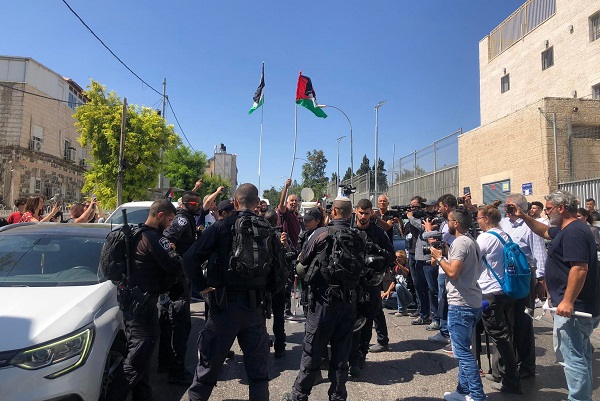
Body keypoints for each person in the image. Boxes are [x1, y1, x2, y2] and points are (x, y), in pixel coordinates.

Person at [183, 183, 284, 401]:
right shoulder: (268, 230)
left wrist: (202, 286)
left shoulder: (221, 227)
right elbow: (280, 274)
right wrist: (265, 294)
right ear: (257, 204)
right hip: (255, 310)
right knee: (258, 375)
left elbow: (189, 258)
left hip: (224, 309)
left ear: (236, 202)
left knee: (207, 371)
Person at [512, 190, 600, 401]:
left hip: (574, 309)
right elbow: (544, 231)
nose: (546, 212)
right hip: (577, 307)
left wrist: (568, 301)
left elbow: (579, 268)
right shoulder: (566, 228)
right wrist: (523, 216)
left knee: (572, 358)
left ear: (561, 208)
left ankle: (579, 398)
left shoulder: (574, 232)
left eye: (549, 208)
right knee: (581, 354)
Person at [282, 196, 367, 401]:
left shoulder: (320, 234)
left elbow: (302, 261)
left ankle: (299, 395)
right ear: (351, 213)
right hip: (348, 303)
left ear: (333, 212)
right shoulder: (359, 237)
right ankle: (337, 395)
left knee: (312, 351)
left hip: (322, 302)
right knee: (341, 354)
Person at [107, 200, 182, 401]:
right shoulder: (154, 238)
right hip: (143, 306)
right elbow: (175, 266)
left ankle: (143, 397)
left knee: (142, 357)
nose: (170, 224)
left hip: (133, 303)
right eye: (170, 220)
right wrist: (173, 251)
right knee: (137, 358)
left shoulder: (135, 234)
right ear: (160, 215)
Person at [429, 206, 485, 401]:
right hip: (471, 300)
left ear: (456, 223)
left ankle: (477, 395)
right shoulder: (471, 241)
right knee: (464, 350)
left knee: (462, 353)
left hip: (461, 304)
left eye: (449, 221)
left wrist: (439, 257)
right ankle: (462, 391)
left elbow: (453, 272)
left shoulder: (461, 242)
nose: (447, 225)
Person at [476, 201, 523, 394]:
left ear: (487, 219)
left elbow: (472, 260)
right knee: (506, 334)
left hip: (490, 292)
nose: (477, 222)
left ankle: (512, 380)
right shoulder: (505, 235)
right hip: (506, 291)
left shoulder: (485, 238)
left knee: (499, 337)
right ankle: (501, 373)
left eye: (479, 218)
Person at [501, 193, 547, 379]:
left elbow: (539, 253)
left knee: (523, 321)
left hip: (524, 276)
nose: (506, 210)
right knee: (508, 321)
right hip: (507, 276)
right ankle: (511, 363)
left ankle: (527, 365)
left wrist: (541, 281)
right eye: (506, 206)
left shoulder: (529, 225)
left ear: (520, 208)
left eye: (510, 207)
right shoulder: (503, 224)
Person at [160, 191, 203, 385]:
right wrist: (178, 264)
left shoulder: (188, 219)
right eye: (197, 204)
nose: (200, 207)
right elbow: (166, 242)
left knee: (176, 323)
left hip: (180, 279)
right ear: (188, 204)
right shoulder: (182, 220)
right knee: (180, 324)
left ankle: (168, 364)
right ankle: (176, 370)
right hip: (177, 281)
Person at [381, 250, 413, 316]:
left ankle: (402, 310)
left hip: (409, 294)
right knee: (384, 298)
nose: (397, 259)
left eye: (399, 257)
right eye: (396, 257)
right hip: (400, 294)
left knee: (398, 286)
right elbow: (393, 282)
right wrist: (388, 291)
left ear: (404, 258)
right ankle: (402, 305)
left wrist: (399, 265)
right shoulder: (395, 268)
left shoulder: (408, 265)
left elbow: (407, 272)